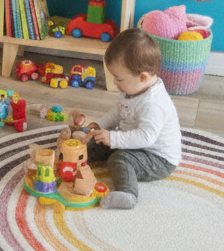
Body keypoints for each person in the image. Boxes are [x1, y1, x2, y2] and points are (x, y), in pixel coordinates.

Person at [70, 27, 181, 209]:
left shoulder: (154, 103)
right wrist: (100, 124)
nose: (115, 83)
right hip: (132, 141)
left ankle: (127, 194)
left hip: (157, 157)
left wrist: (114, 138)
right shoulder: (133, 88)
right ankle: (70, 158)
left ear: (143, 77)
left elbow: (146, 137)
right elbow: (119, 111)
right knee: (95, 139)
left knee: (119, 159)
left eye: (119, 79)